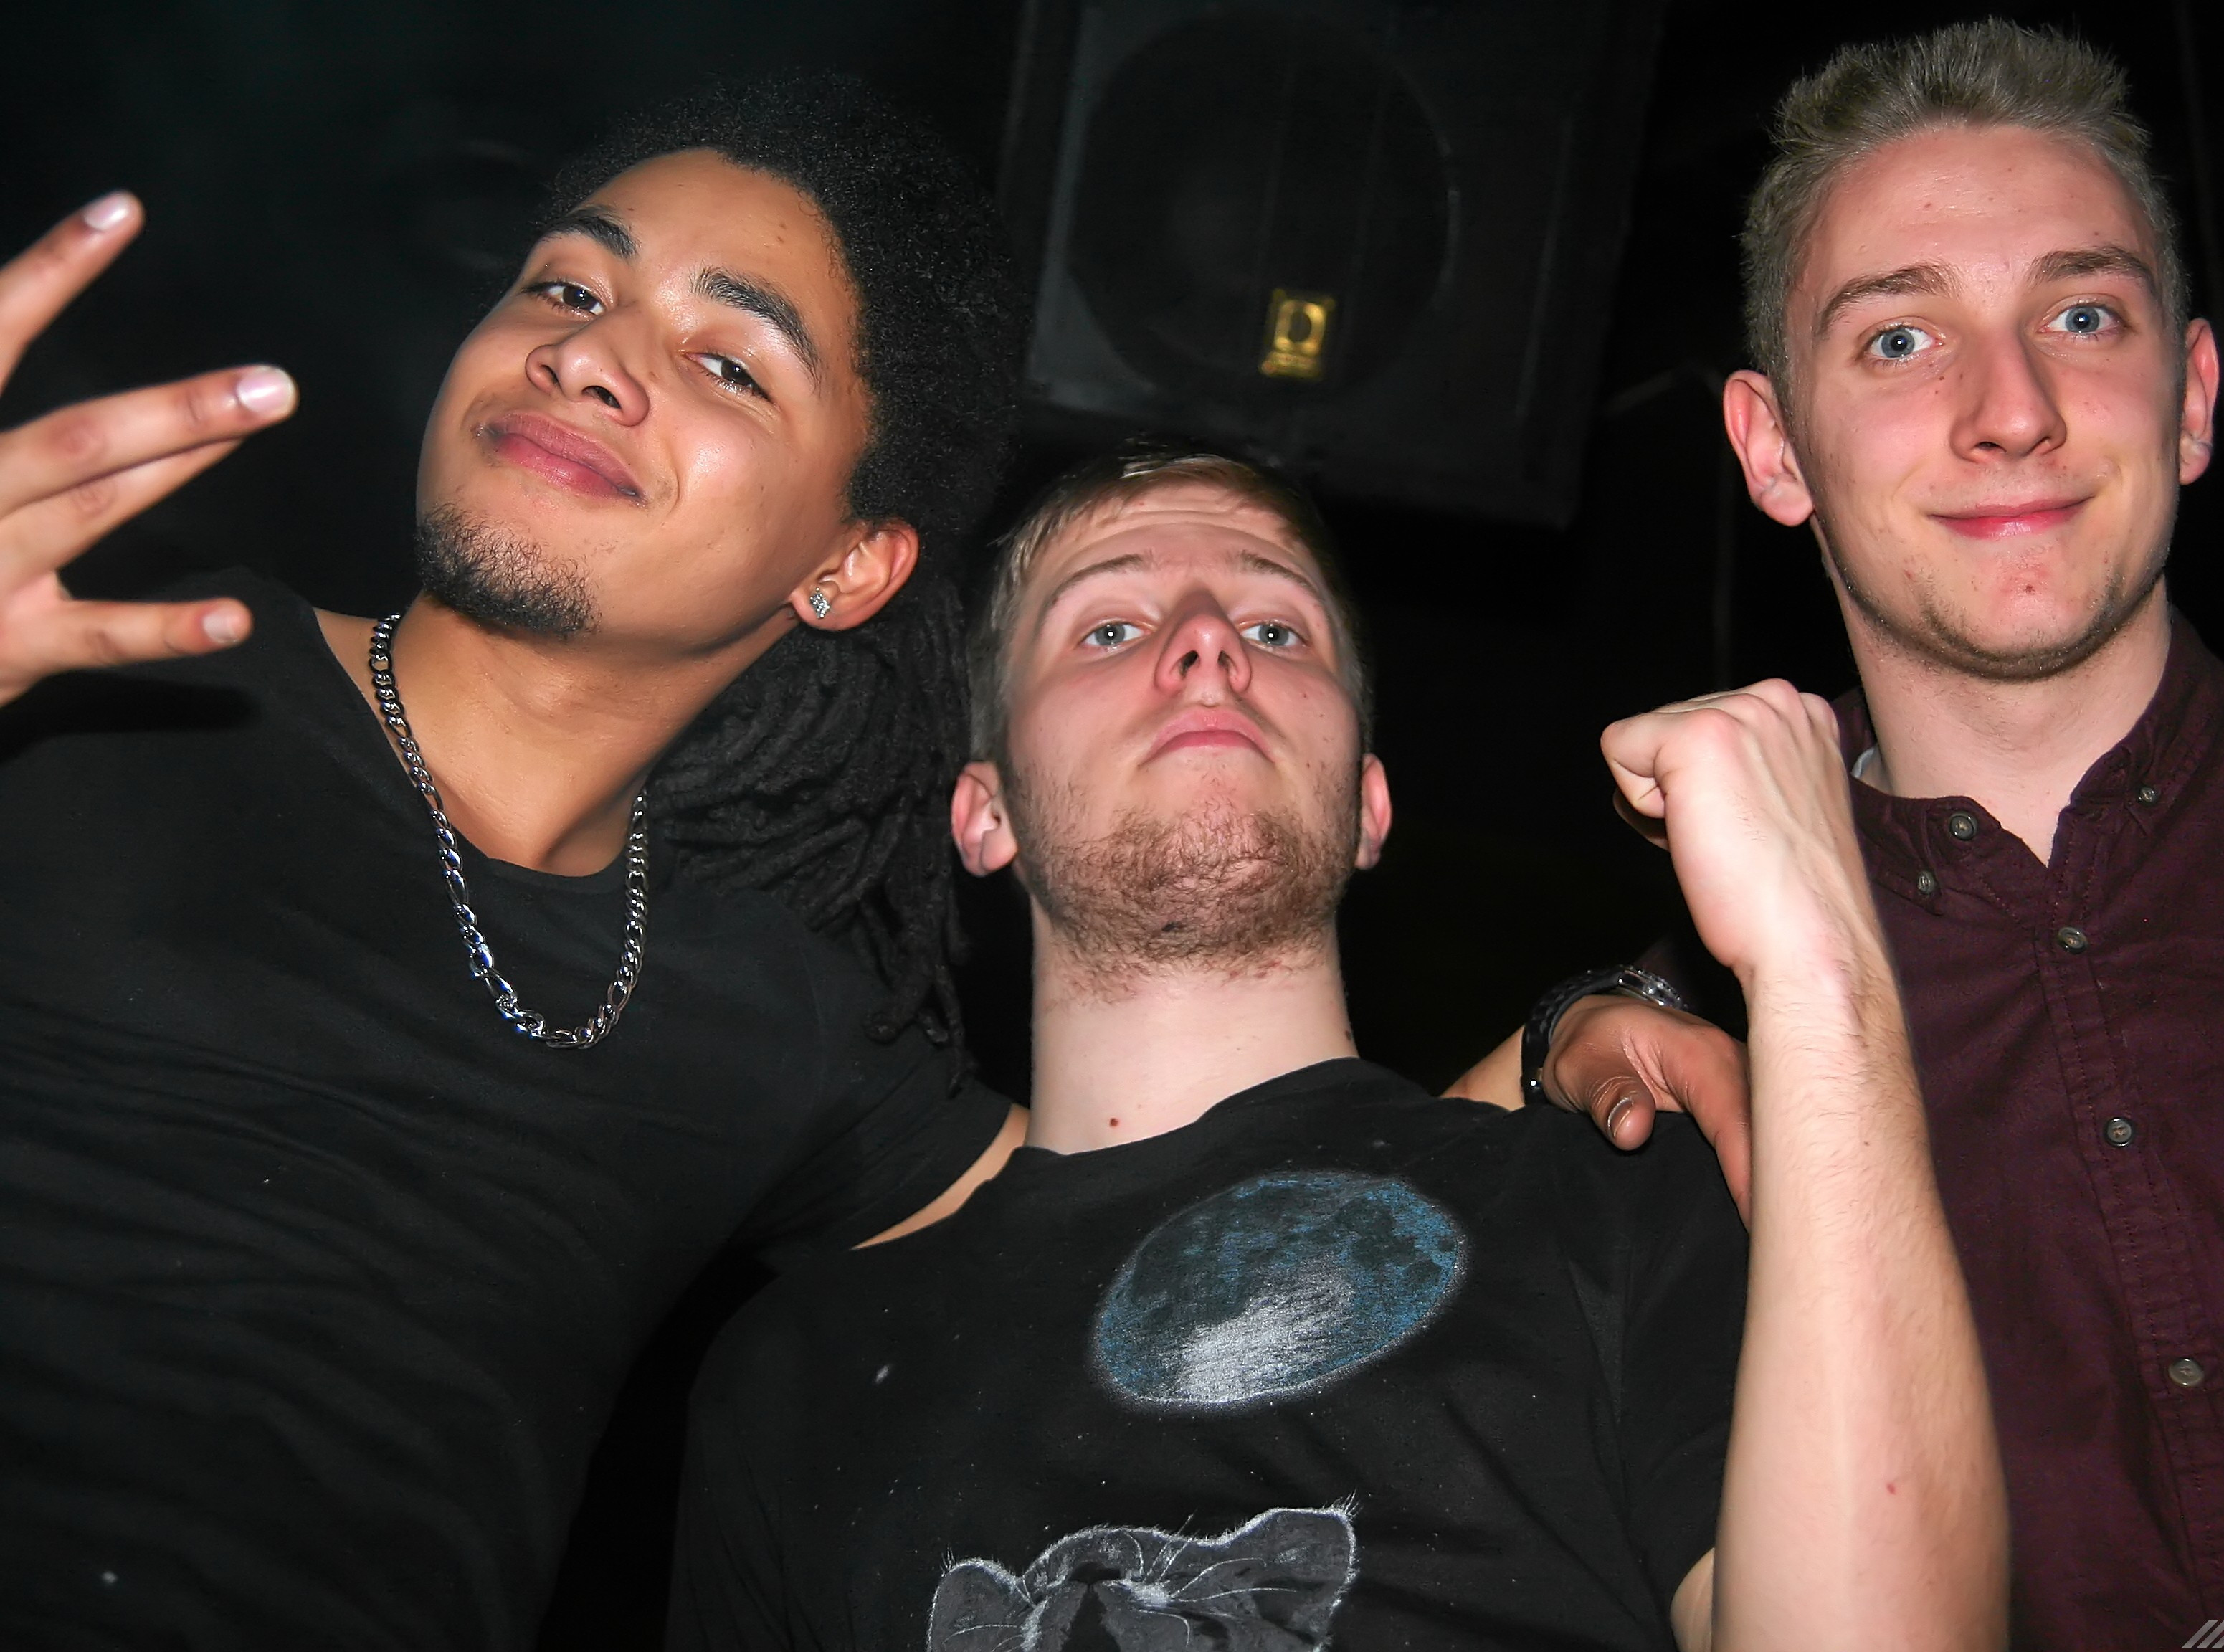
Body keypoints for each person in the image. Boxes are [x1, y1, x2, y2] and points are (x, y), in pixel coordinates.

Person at [0, 82, 1720, 1650]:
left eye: (730, 362)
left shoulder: (765, 1024)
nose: (592, 359)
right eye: (567, 287)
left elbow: (1198, 1181)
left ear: (848, 564)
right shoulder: (87, 685)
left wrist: (1567, 1040)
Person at [667, 448, 2007, 1652]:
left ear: (1367, 803)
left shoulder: (1619, 1188)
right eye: (1110, 627)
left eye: (1274, 627)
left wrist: (1818, 959)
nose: (1207, 644)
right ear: (985, 813)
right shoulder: (798, 1376)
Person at [1699, 19, 2224, 1644]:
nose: (2015, 410)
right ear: (1776, 450)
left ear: (2189, 399)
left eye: (2081, 315)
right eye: (1900, 339)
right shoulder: (1721, 1014)